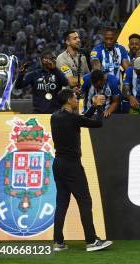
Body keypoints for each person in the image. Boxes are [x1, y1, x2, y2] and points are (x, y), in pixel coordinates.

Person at [51, 88, 112, 252]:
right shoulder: (72, 118)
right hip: (72, 165)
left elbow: (80, 119)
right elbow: (97, 123)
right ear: (69, 100)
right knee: (85, 201)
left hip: (58, 164)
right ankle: (91, 241)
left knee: (61, 203)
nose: (76, 100)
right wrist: (99, 107)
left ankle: (58, 242)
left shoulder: (55, 116)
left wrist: (92, 106)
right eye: (74, 98)